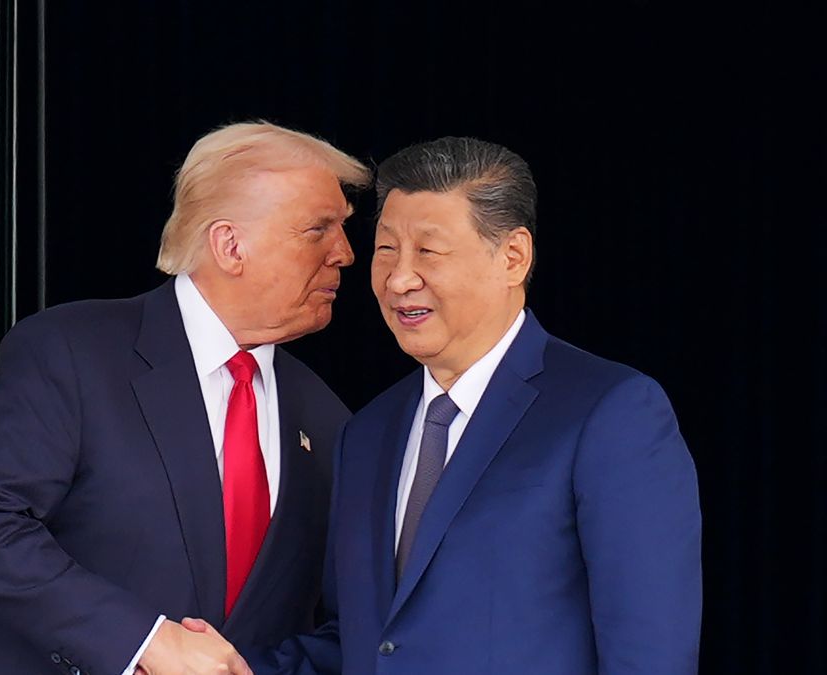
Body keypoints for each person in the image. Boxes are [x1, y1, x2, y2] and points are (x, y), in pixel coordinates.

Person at [233, 136, 701, 674]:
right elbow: (364, 641)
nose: (400, 278)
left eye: (429, 250)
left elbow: (650, 655)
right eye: (387, 249)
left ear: (513, 257)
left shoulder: (610, 412)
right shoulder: (366, 433)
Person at [0, 122, 371, 675]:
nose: (346, 254)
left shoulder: (329, 419)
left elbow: (339, 620)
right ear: (230, 244)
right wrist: (143, 641)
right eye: (318, 229)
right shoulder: (72, 352)